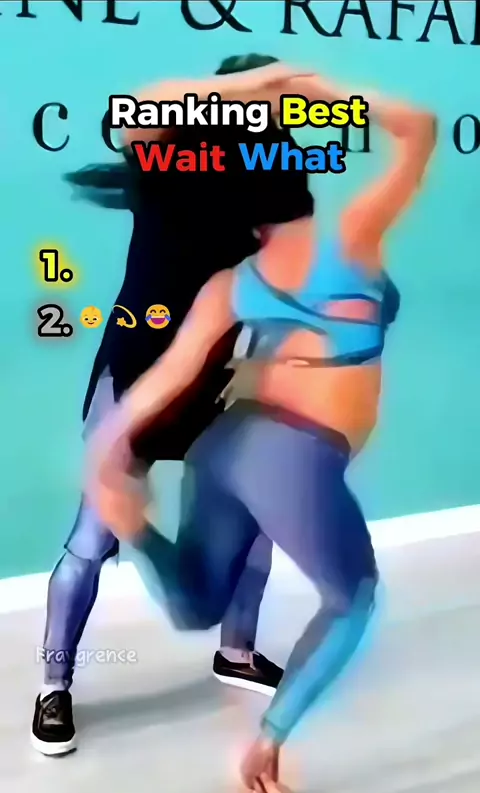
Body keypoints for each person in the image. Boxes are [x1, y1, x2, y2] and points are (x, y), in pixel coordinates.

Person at [88, 71, 436, 793]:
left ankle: (138, 533)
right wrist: (320, 87)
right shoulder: (352, 238)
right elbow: (419, 128)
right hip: (294, 456)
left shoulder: (233, 282)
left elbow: (171, 375)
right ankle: (269, 742)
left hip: (225, 443)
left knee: (197, 604)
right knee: (352, 600)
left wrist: (107, 449)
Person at [31, 55, 320, 757]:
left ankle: (237, 652)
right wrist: (247, 86)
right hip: (136, 369)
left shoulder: (279, 172)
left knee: (258, 525)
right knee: (94, 537)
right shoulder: (163, 152)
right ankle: (53, 687)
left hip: (221, 376)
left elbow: (288, 276)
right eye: (267, 96)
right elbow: (136, 112)